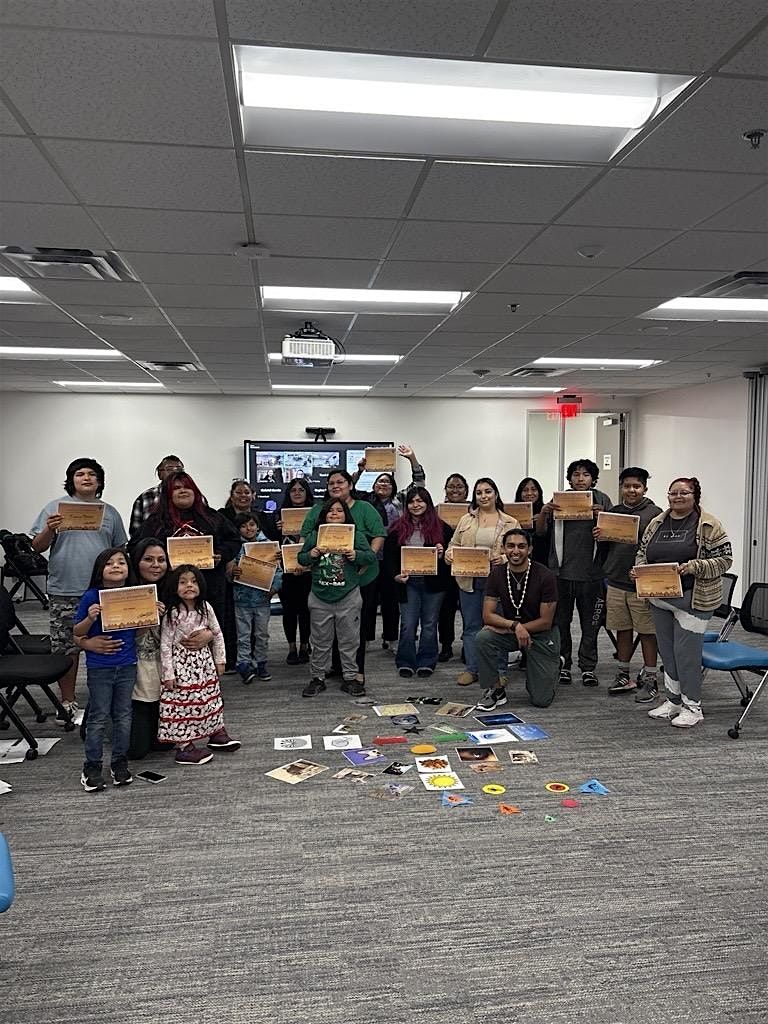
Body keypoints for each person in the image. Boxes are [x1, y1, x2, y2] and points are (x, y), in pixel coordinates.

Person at [30, 457, 128, 723]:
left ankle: (106, 699)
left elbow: (120, 549)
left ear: (99, 481)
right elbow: (37, 547)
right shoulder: (54, 508)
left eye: (92, 474)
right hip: (65, 588)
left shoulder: (110, 512)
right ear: (71, 480)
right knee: (67, 647)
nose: (86, 478)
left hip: (103, 590)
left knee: (107, 644)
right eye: (80, 474)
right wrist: (49, 529)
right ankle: (68, 701)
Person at [633, 477, 732, 729]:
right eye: (673, 493)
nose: (678, 497)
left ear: (695, 495)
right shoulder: (657, 522)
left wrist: (694, 566)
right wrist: (639, 570)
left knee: (686, 655)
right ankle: (673, 701)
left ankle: (693, 707)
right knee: (667, 653)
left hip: (693, 602)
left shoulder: (708, 524)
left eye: (684, 493)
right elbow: (643, 552)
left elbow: (725, 560)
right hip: (659, 600)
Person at [135, 471, 241, 668]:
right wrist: (159, 560)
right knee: (172, 639)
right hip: (170, 592)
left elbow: (234, 540)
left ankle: (208, 680)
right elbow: (137, 546)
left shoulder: (211, 517)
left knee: (209, 637)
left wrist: (221, 554)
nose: (182, 491)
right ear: (168, 494)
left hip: (209, 590)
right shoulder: (156, 521)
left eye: (187, 486)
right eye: (176, 488)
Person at [300, 469, 386, 693]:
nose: (335, 513)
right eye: (330, 511)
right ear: (323, 514)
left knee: (349, 640)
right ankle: (317, 678)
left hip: (348, 594)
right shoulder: (315, 535)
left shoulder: (355, 534)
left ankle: (350, 678)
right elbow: (300, 557)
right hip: (320, 595)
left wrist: (357, 556)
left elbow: (369, 556)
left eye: (339, 511)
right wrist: (311, 554)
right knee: (319, 641)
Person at [73, 548, 143, 792]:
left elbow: (140, 632)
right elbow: (77, 632)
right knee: (98, 716)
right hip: (100, 667)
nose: (116, 566)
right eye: (109, 563)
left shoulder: (134, 594)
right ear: (99, 570)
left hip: (127, 665)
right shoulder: (91, 596)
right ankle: (92, 766)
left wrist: (151, 614)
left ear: (128, 569)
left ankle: (119, 762)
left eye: (121, 562)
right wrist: (90, 618)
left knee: (123, 716)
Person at [538, 458, 612, 687]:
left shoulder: (602, 500)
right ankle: (564, 664)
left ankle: (588, 667)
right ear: (569, 479)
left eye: (586, 475)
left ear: (593, 479)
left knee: (591, 624)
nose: (581, 479)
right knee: (561, 623)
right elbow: (540, 534)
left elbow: (616, 535)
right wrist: (544, 512)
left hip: (592, 575)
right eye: (576, 474)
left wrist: (604, 517)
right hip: (561, 574)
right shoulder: (559, 500)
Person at [159, 564, 240, 764]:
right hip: (181, 667)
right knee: (183, 705)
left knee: (210, 699)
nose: (189, 586)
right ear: (174, 587)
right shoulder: (172, 613)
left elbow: (217, 634)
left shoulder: (206, 607)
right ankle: (184, 746)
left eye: (194, 581)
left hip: (204, 665)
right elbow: (165, 644)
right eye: (183, 582)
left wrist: (220, 660)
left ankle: (216, 732)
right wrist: (168, 674)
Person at [593, 467, 662, 698]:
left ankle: (651, 678)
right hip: (615, 581)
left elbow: (658, 547)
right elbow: (607, 547)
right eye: (627, 486)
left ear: (645, 488)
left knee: (647, 632)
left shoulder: (655, 513)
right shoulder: (614, 512)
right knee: (622, 629)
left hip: (641, 585)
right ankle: (624, 674)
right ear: (621, 488)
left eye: (636, 486)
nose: (631, 490)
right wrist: (600, 536)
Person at [445, 478, 519, 687]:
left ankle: (500, 670)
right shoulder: (466, 520)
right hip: (469, 580)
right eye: (479, 493)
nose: (484, 496)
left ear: (495, 494)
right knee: (472, 626)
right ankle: (472, 669)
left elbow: (519, 549)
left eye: (488, 491)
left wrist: (504, 558)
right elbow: (453, 544)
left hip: (498, 581)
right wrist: (449, 554)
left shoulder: (510, 522)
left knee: (498, 626)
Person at [474, 529, 560, 710]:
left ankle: (553, 665)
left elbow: (546, 621)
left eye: (521, 546)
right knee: (483, 638)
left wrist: (512, 628)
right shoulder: (496, 574)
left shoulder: (545, 575)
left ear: (530, 549)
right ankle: (496, 690)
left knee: (541, 700)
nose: (515, 551)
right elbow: (487, 615)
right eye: (510, 546)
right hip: (514, 632)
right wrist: (514, 626)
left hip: (541, 635)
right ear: (503, 549)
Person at [352, 445, 426, 650]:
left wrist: (412, 459)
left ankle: (391, 638)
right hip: (370, 555)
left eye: (387, 481)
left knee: (391, 600)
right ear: (373, 485)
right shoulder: (365, 501)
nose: (383, 484)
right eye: (380, 481)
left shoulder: (401, 500)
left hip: (394, 557)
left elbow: (419, 483)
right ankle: (366, 638)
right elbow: (348, 488)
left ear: (393, 486)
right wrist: (360, 471)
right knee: (367, 600)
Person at [384, 487, 453, 678]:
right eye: (412, 502)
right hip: (408, 583)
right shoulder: (397, 528)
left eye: (420, 501)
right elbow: (389, 557)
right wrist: (395, 575)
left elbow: (451, 557)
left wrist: (442, 554)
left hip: (434, 584)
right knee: (408, 624)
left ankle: (426, 661)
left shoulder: (443, 528)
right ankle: (405, 661)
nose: (416, 505)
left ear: (428, 503)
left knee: (430, 624)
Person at [228, 511, 282, 684]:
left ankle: (261, 663)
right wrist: (233, 572)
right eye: (243, 526)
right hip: (242, 599)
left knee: (262, 634)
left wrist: (275, 588)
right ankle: (243, 664)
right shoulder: (235, 547)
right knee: (243, 635)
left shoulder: (269, 546)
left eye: (252, 524)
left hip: (262, 599)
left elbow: (278, 571)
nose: (248, 528)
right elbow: (228, 573)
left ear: (258, 526)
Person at [276, 478, 315, 665]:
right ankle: (292, 647)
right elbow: (271, 543)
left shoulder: (315, 514)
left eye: (301, 489)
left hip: (309, 571)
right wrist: (277, 531)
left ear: (307, 493)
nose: (297, 493)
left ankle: (305, 646)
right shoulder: (278, 516)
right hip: (287, 572)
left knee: (307, 611)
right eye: (293, 490)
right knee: (289, 611)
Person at [438, 473, 470, 661]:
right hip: (445, 567)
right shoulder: (437, 511)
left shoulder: (474, 511)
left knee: (469, 610)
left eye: (459, 487)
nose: (455, 490)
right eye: (451, 486)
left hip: (469, 566)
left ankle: (469, 646)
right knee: (446, 609)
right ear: (445, 489)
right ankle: (446, 645)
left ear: (466, 491)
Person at [128, 455, 184, 538]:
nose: (175, 472)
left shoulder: (192, 496)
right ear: (159, 474)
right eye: (169, 469)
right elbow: (135, 534)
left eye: (179, 469)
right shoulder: (145, 497)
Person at [515, 477, 549, 566]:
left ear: (539, 492)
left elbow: (542, 534)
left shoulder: (546, 511)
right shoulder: (513, 512)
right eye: (525, 490)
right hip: (517, 556)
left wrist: (542, 517)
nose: (529, 493)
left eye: (534, 490)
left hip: (541, 557)